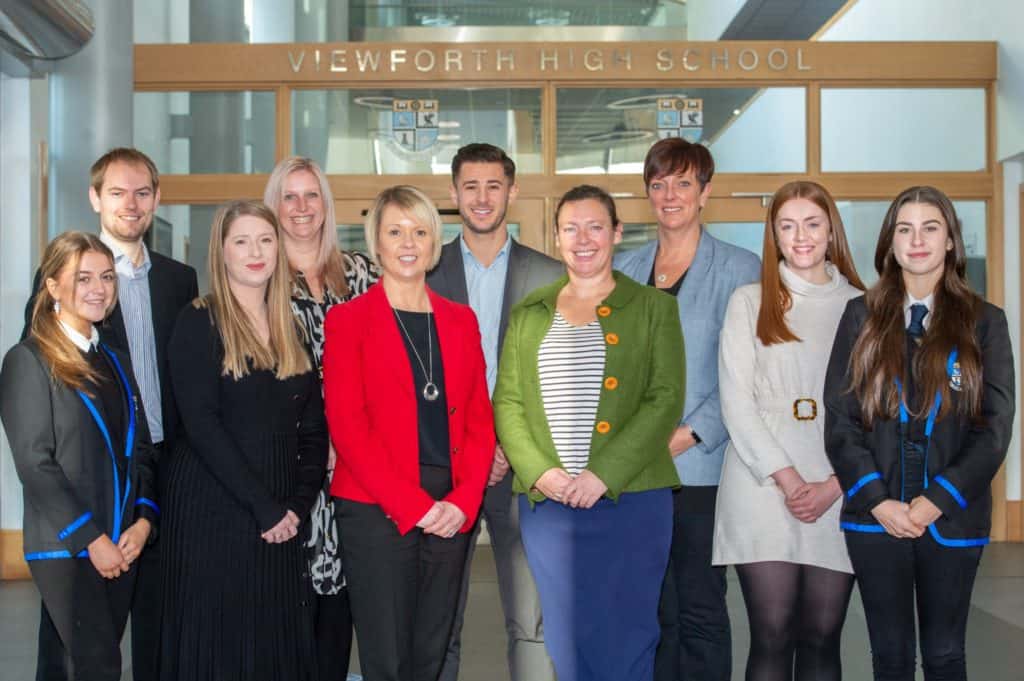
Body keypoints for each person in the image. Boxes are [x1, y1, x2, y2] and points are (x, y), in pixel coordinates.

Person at [494, 185, 685, 681]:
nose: (583, 239)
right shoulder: (528, 314)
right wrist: (540, 474)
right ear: (556, 238)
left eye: (595, 226)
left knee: (627, 637)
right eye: (570, 228)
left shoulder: (653, 308)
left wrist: (602, 474)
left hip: (632, 502)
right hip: (550, 508)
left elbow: (664, 399)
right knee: (566, 640)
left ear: (617, 233)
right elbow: (509, 404)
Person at [21, 148, 198, 681]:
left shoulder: (179, 279)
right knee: (76, 638)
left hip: (160, 467)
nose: (131, 203)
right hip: (94, 471)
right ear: (96, 197)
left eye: (142, 192)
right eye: (118, 192)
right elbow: (42, 395)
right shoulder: (64, 276)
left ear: (157, 199)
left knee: (156, 612)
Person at [824, 186, 1014, 681]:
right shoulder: (860, 317)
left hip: (951, 518)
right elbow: (840, 421)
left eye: (931, 227)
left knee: (946, 654)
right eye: (904, 229)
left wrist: (935, 500)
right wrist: (879, 501)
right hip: (876, 518)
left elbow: (994, 430)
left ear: (951, 240)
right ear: (889, 244)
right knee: (888, 657)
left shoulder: (985, 322)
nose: (917, 240)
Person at [322, 185, 494, 681]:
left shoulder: (461, 322)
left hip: (451, 507)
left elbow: (481, 422)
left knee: (432, 650)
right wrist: (415, 506)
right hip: (376, 507)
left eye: (420, 231)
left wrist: (463, 501)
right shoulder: (348, 320)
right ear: (375, 242)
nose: (408, 242)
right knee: (388, 657)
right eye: (395, 231)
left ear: (435, 242)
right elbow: (348, 427)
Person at [159, 200, 327, 681]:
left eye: (266, 240)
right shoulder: (198, 320)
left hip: (282, 513)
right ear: (222, 252)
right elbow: (201, 425)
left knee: (274, 644)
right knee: (220, 648)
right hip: (215, 508)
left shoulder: (291, 324)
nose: (256, 252)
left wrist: (297, 504)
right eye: (242, 241)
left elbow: (314, 429)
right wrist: (265, 508)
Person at [614, 137, 760, 681]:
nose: (669, 195)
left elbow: (746, 377)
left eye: (682, 183)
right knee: (650, 610)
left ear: (705, 193)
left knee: (699, 607)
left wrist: (687, 434)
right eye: (658, 184)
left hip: (702, 468)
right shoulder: (623, 270)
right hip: (633, 472)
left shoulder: (740, 269)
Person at [714, 181, 865, 681]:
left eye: (812, 223)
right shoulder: (749, 300)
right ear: (773, 235)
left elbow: (878, 411)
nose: (801, 236)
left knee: (823, 636)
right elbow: (736, 401)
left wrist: (835, 484)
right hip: (762, 484)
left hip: (839, 482)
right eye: (787, 225)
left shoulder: (866, 306)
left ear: (831, 230)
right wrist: (788, 479)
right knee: (772, 634)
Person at [427, 142, 562, 681]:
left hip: (522, 469)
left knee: (531, 621)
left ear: (513, 191)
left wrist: (506, 446)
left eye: (493, 186)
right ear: (454, 193)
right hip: (444, 469)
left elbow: (554, 378)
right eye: (470, 186)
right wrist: (469, 449)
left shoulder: (551, 275)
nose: (482, 198)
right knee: (440, 621)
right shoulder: (425, 272)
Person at [1, 231, 158, 681]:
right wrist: (93, 539)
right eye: (83, 277)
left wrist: (144, 522)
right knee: (99, 665)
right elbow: (36, 465)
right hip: (68, 547)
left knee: (63, 666)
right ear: (52, 286)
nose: (98, 288)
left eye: (107, 277)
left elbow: (142, 449)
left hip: (122, 543)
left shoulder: (115, 361)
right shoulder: (28, 360)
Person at [263, 156, 379, 680]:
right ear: (274, 207)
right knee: (289, 615)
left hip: (358, 471)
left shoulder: (362, 274)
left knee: (343, 612)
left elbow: (387, 367)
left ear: (326, 206)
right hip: (291, 469)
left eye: (312, 195)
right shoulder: (258, 282)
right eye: (290, 196)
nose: (301, 207)